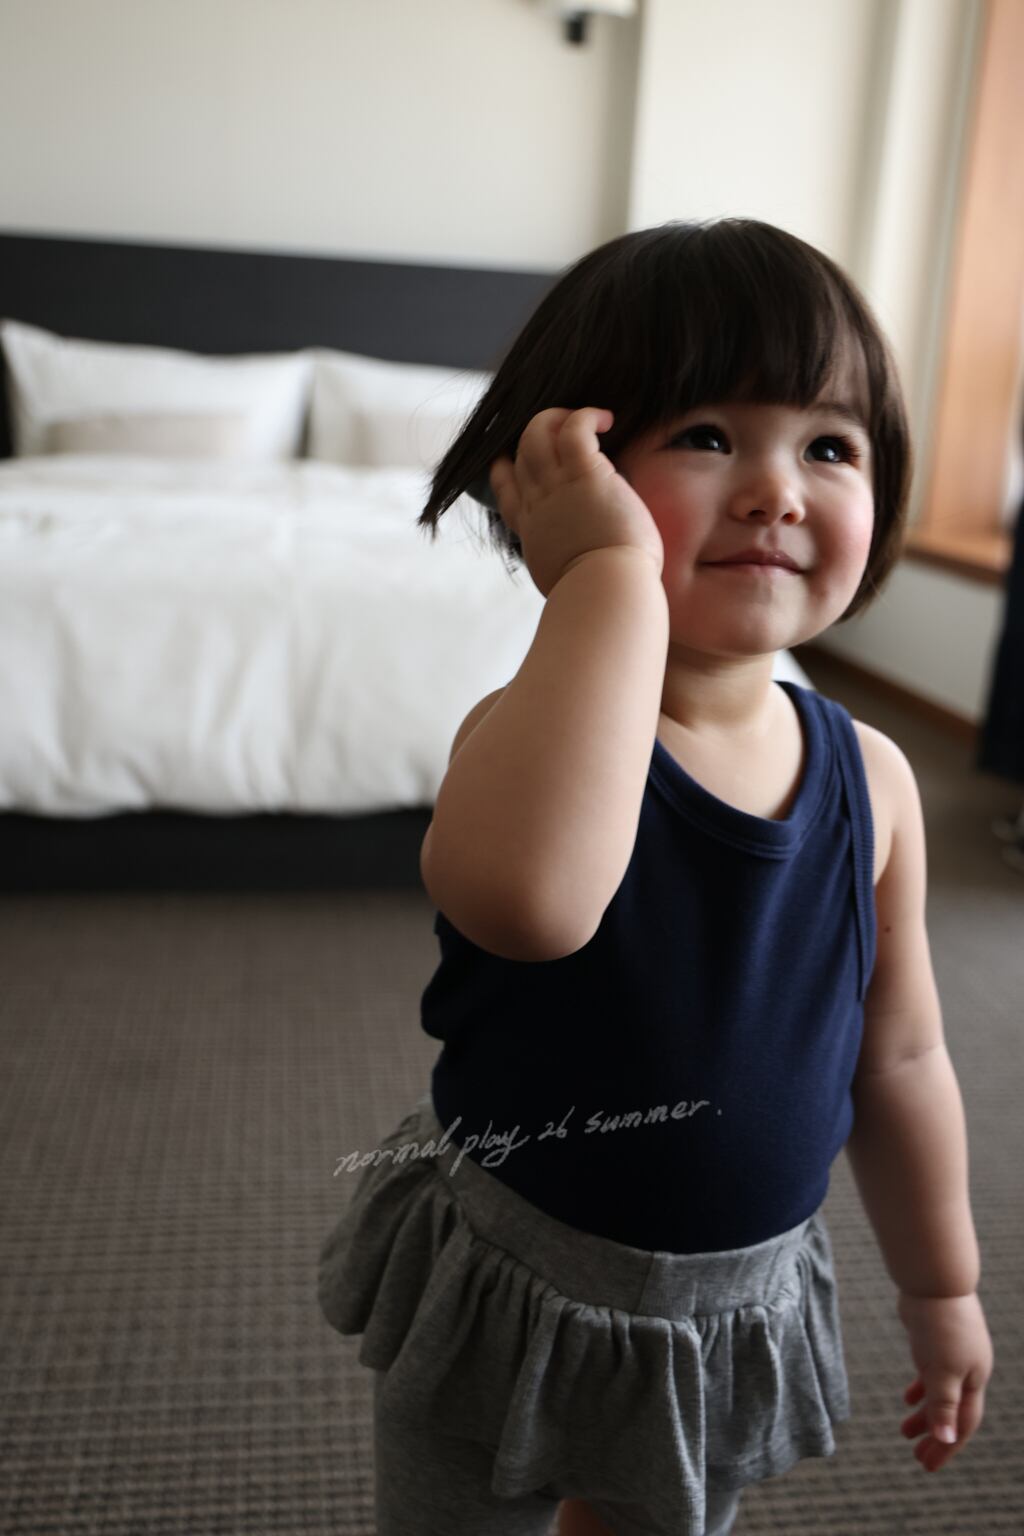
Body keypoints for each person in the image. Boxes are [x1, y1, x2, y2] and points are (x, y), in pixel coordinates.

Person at [317, 218, 994, 1536]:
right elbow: (532, 902)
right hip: (511, 1278)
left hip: (724, 1317)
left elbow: (903, 1056)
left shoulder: (878, 781)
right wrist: (609, 580)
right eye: (707, 435)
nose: (778, 490)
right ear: (570, 473)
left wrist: (942, 1284)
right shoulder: (533, 741)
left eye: (830, 447)